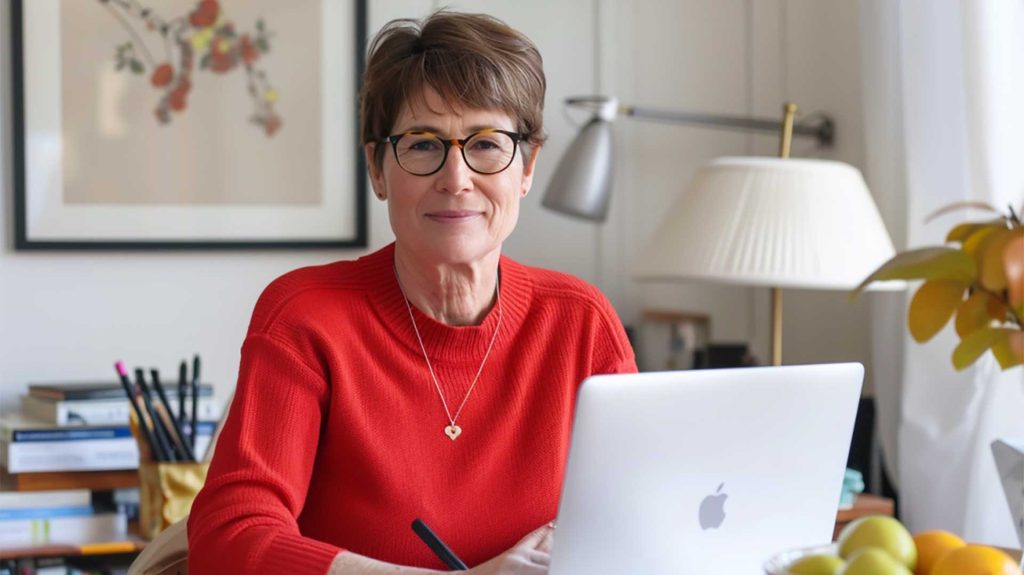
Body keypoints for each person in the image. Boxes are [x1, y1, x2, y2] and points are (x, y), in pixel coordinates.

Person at [187, 11, 636, 574]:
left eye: (488, 144)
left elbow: (641, 517)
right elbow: (229, 540)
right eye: (423, 145)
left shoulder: (580, 321)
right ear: (377, 167)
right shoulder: (306, 315)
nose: (456, 177)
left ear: (526, 167)